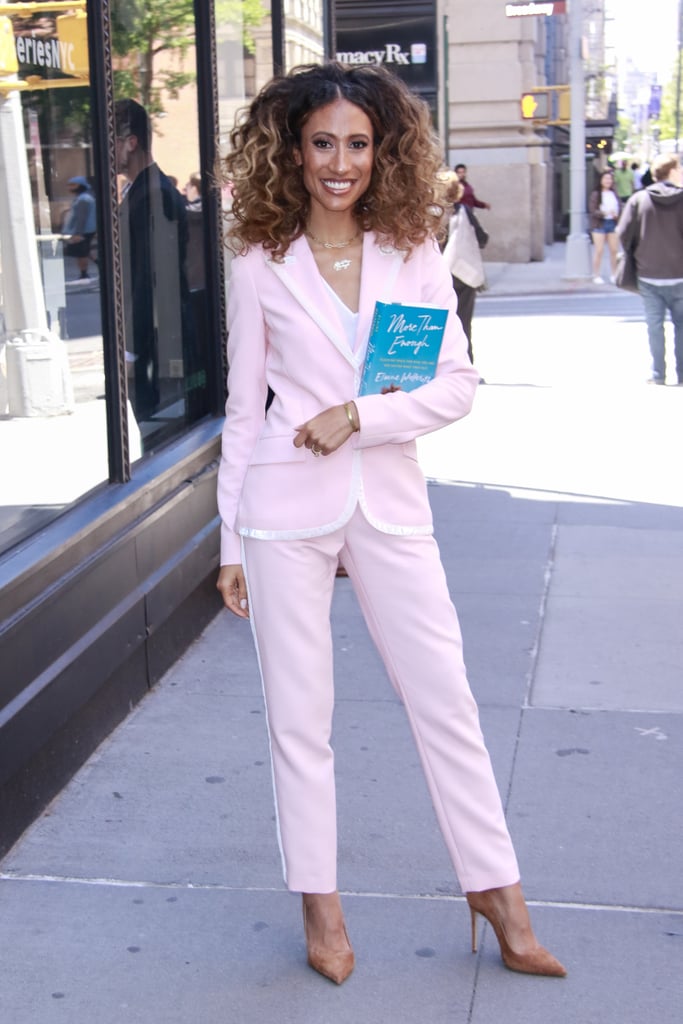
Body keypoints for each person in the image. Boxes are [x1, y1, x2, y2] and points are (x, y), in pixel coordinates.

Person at [216, 61, 566, 987]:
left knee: (444, 700)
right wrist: (227, 542)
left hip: (390, 500)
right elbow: (242, 412)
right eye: (322, 142)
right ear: (292, 150)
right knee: (301, 717)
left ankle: (496, 891)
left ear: (384, 151)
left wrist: (359, 417)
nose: (340, 162)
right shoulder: (258, 261)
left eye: (358, 144)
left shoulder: (411, 248)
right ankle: (319, 904)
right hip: (280, 510)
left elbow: (453, 386)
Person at [114, 99, 194, 422]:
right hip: (156, 341)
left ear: (131, 142)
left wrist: (131, 350)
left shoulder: (153, 194)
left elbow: (151, 278)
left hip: (156, 346)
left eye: (112, 141)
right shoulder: (143, 190)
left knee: (154, 430)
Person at [616, 153, 683, 385]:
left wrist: (638, 253)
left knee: (654, 325)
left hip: (648, 272)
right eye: (680, 168)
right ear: (671, 172)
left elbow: (623, 233)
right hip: (680, 273)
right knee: (681, 326)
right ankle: (682, 374)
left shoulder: (639, 199)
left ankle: (659, 375)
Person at [441, 173, 486, 364]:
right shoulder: (464, 212)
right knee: (463, 323)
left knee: (439, 326)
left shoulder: (429, 214)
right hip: (463, 275)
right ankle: (466, 365)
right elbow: (483, 238)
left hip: (439, 277)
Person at [588, 169, 620, 284]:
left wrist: (616, 215)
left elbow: (619, 207)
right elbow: (592, 210)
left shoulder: (614, 193)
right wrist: (604, 213)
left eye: (610, 179)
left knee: (614, 250)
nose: (608, 181)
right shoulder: (596, 194)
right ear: (601, 180)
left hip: (612, 223)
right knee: (599, 250)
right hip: (599, 224)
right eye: (605, 178)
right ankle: (596, 274)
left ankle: (614, 273)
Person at [63, 176, 96, 279]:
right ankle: (97, 262)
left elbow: (82, 217)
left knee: (81, 253)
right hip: (84, 230)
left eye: (73, 185)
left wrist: (78, 233)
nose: (70, 188)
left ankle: (84, 273)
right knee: (84, 251)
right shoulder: (82, 197)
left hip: (84, 230)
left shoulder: (84, 199)